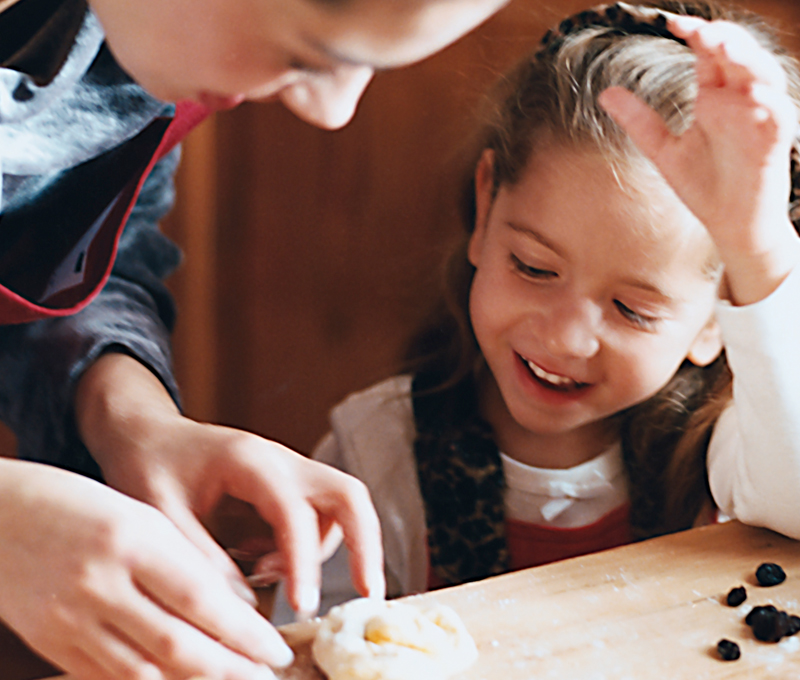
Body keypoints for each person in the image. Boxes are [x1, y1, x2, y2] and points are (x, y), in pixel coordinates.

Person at [271, 0, 800, 621]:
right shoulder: (378, 455)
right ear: (486, 210)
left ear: (713, 321)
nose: (566, 338)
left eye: (631, 309)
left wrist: (755, 247)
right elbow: (300, 646)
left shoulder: (724, 453)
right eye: (534, 268)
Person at [0, 0, 508, 678]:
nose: (334, 111)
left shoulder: (139, 37)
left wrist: (131, 419)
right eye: (312, 50)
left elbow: (61, 250)